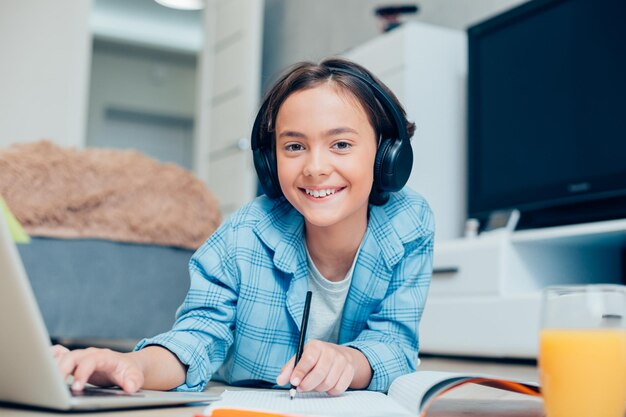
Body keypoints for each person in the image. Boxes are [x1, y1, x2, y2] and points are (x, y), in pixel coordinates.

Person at [52, 57, 434, 396]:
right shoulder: (242, 236)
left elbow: (395, 342)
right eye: (294, 147)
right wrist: (132, 366)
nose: (315, 168)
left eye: (341, 145)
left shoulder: (409, 224)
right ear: (270, 162)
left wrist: (350, 362)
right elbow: (197, 337)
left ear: (387, 155)